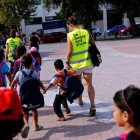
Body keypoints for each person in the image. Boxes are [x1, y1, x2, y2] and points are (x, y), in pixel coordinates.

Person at [66, 14, 96, 116]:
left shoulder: (70, 35)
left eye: (68, 26)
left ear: (70, 24)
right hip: (88, 62)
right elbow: (94, 45)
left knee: (78, 84)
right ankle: (92, 105)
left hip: (76, 65)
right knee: (89, 84)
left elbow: (70, 51)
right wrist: (94, 60)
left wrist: (67, 62)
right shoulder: (86, 32)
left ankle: (80, 100)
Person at [11, 54, 46, 131]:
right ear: (31, 64)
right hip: (33, 96)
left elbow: (12, 84)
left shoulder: (19, 73)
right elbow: (40, 83)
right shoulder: (34, 73)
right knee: (34, 110)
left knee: (25, 111)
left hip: (23, 96)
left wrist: (13, 92)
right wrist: (44, 89)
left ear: (22, 64)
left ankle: (26, 124)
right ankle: (36, 126)